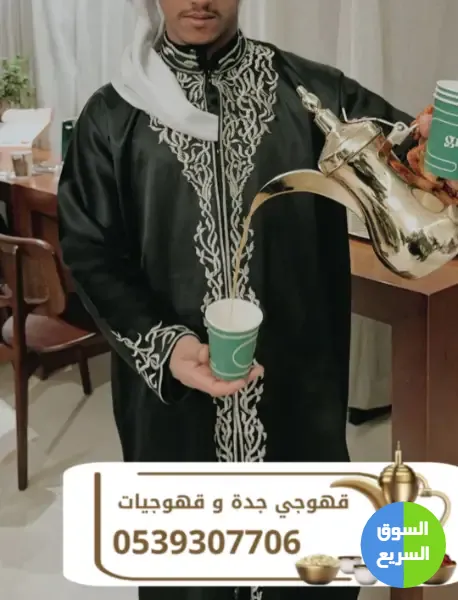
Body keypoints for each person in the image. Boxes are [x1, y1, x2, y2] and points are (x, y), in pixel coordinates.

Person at [58, 1, 439, 599]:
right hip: (174, 409)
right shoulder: (114, 114)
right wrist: (165, 345)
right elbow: (90, 250)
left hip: (296, 394)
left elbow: (413, 159)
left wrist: (439, 152)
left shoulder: (314, 94)